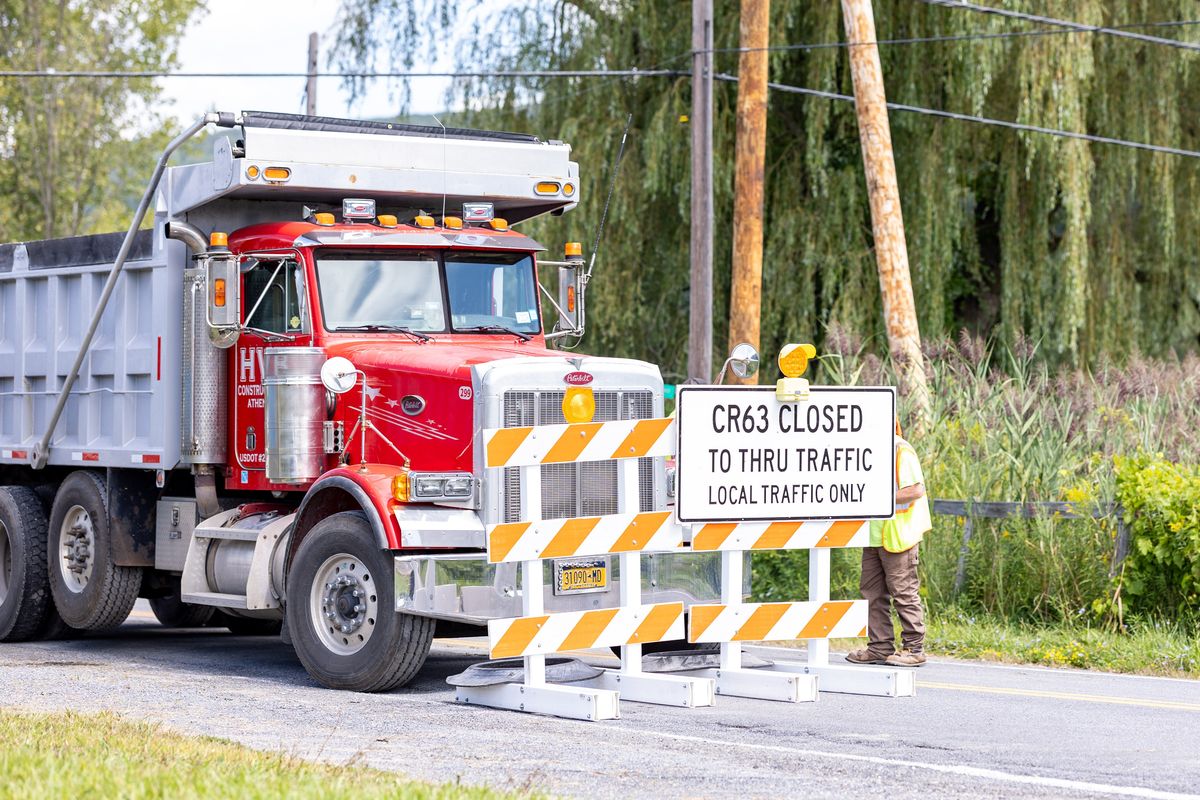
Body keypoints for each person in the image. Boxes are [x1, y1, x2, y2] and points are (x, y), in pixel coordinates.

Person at [846, 419, 931, 667]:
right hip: (873, 533)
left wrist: (879, 498)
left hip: (899, 534)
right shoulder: (866, 448)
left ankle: (914, 649)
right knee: (872, 593)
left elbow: (916, 490)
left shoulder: (900, 449)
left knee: (903, 592)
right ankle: (880, 647)